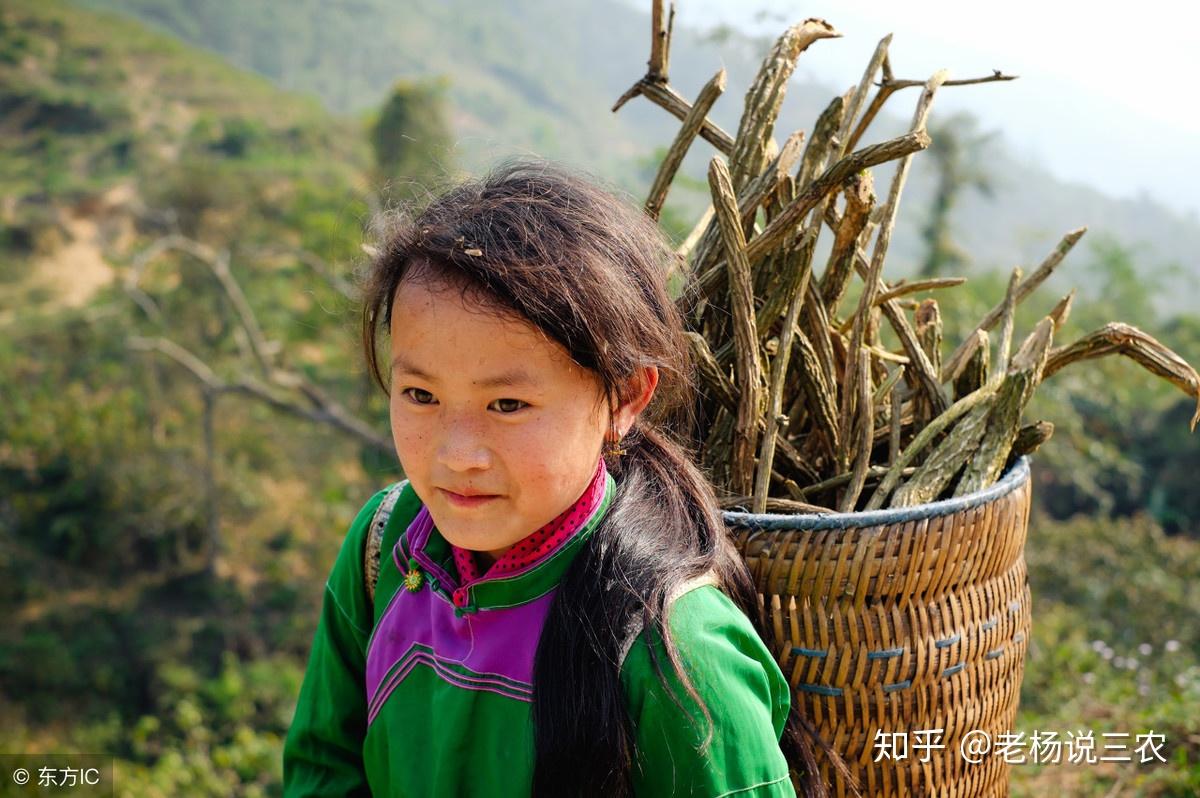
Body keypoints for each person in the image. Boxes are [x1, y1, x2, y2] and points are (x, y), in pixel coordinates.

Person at [282, 159, 843, 797]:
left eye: (508, 405)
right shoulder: (384, 546)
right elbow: (323, 770)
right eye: (419, 395)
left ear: (625, 398)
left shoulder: (677, 658)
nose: (458, 454)